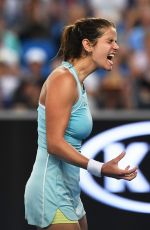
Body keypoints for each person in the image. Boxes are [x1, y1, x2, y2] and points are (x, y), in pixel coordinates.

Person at [24, 17, 138, 230]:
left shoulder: (78, 82)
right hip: (49, 189)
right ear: (88, 45)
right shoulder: (63, 79)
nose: (117, 46)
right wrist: (100, 168)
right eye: (110, 40)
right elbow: (54, 143)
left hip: (70, 190)